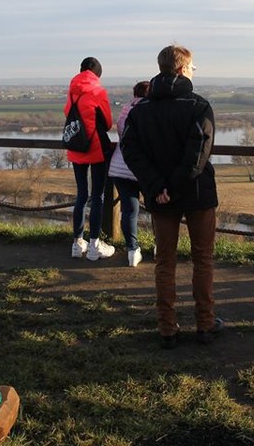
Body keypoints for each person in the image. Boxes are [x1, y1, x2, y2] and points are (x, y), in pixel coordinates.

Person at [121, 43, 223, 349]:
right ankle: (205, 324)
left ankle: (167, 328)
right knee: (202, 259)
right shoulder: (198, 106)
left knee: (164, 263)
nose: (193, 71)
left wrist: (157, 186)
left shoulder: (141, 110)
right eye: (192, 67)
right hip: (197, 194)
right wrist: (174, 186)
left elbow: (131, 151)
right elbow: (198, 154)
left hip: (160, 198)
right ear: (181, 69)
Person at [66, 57, 115, 261]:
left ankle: (77, 243)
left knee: (81, 194)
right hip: (95, 148)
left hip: (76, 146)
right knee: (98, 196)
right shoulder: (98, 91)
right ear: (98, 73)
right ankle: (94, 245)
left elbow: (68, 112)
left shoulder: (72, 89)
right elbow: (108, 122)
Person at [108, 80, 151, 268]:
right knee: (157, 211)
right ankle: (161, 247)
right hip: (145, 169)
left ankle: (132, 250)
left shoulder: (126, 109)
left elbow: (120, 133)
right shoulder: (151, 111)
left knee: (129, 211)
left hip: (120, 166)